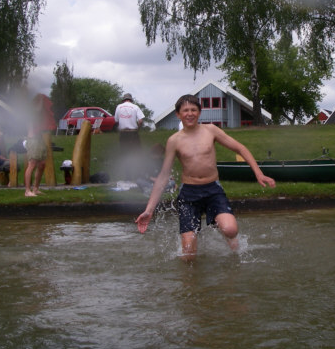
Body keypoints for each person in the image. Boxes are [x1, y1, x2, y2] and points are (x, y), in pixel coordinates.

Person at [135, 94, 276, 261]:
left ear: (199, 113)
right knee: (188, 254)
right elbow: (163, 176)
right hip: (189, 194)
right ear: (178, 115)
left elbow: (240, 148)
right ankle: (190, 282)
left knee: (230, 230)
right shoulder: (174, 141)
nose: (190, 113)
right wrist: (149, 210)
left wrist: (259, 174)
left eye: (193, 110)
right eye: (185, 110)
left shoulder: (211, 130)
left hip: (212, 190)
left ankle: (226, 235)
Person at [114, 93, 145, 179]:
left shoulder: (118, 107)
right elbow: (141, 121)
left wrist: (119, 128)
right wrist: (137, 129)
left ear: (123, 100)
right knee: (136, 153)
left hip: (123, 133)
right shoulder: (135, 107)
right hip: (133, 133)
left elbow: (116, 120)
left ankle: (128, 176)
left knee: (125, 154)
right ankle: (138, 175)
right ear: (131, 100)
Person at [24, 97, 48, 197]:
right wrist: (41, 99)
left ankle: (36, 189)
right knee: (32, 164)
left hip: (40, 139)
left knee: (42, 164)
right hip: (32, 140)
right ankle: (27, 191)